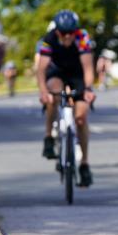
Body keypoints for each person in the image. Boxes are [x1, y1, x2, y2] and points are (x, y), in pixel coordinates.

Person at [37, 10, 96, 187]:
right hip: (57, 72)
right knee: (52, 94)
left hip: (77, 73)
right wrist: (43, 92)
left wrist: (87, 89)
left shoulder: (82, 38)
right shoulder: (49, 39)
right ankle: (48, 138)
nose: (68, 36)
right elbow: (41, 70)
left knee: (81, 117)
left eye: (71, 32)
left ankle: (84, 164)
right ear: (57, 32)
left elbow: (88, 68)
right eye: (64, 33)